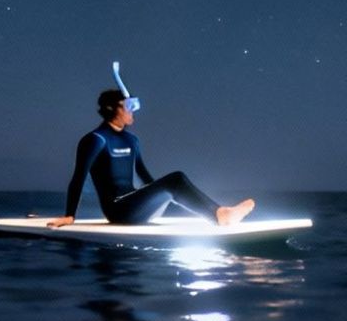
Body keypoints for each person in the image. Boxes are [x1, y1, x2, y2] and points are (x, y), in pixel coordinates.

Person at [47, 89, 253, 228]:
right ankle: (220, 215)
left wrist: (167, 196)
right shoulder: (95, 139)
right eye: (127, 106)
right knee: (176, 178)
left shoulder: (131, 139)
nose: (132, 110)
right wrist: (70, 215)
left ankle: (215, 212)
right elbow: (78, 178)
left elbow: (145, 178)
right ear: (112, 109)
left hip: (136, 205)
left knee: (173, 185)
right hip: (119, 211)